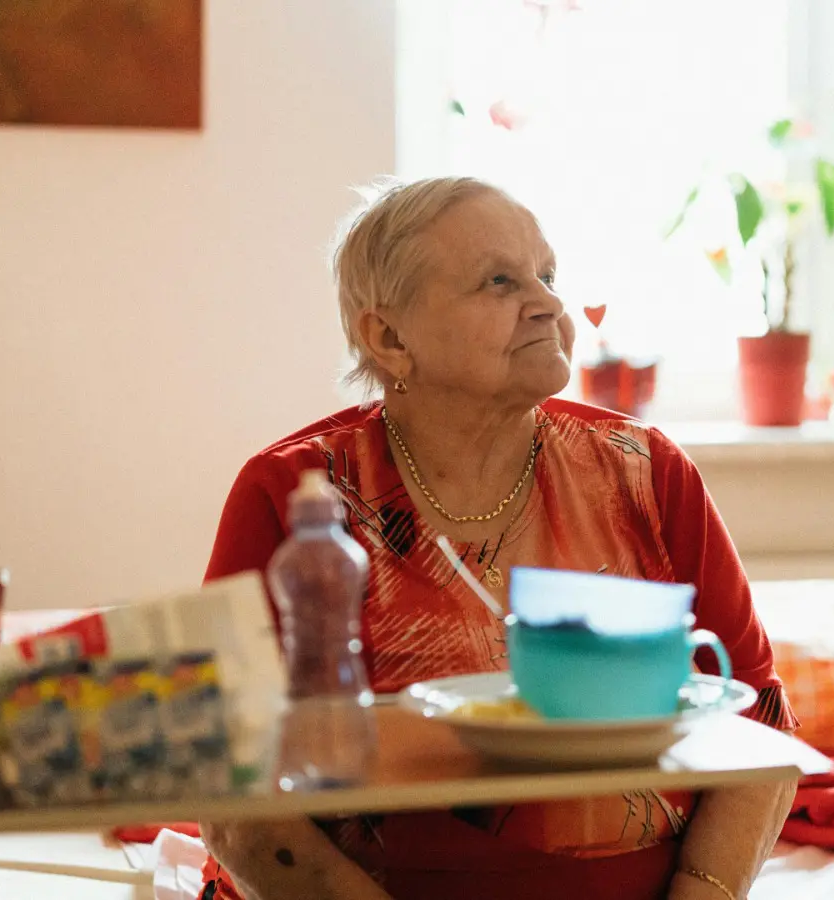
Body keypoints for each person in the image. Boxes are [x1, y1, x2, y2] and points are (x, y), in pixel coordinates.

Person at [200, 176, 799, 900]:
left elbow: (759, 721)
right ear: (388, 337)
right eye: (499, 282)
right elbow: (232, 790)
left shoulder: (648, 473)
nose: (548, 302)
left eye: (547, 275)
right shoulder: (294, 498)